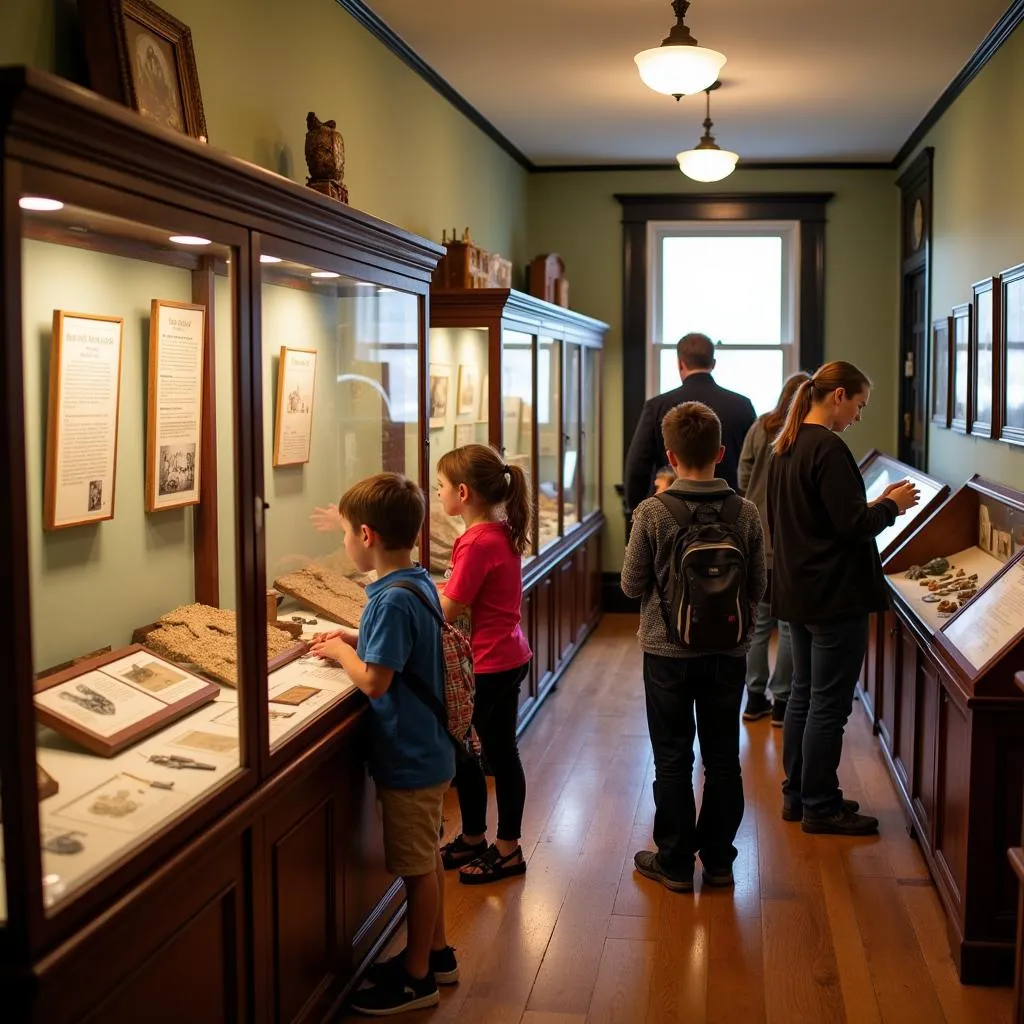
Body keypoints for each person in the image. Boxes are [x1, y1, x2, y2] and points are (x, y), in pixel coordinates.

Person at [309, 474, 457, 1015]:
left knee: (416, 869)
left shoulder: (389, 601)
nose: (345, 540)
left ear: (365, 535)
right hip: (429, 750)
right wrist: (354, 637)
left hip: (411, 758)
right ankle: (436, 953)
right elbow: (401, 648)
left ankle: (417, 980)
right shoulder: (414, 582)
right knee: (429, 858)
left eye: (347, 532)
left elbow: (375, 680)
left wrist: (342, 655)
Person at [768, 362, 920, 836]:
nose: (858, 416)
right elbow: (852, 526)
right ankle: (820, 804)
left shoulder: (786, 445)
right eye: (858, 405)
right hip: (835, 595)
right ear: (837, 397)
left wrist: (874, 507)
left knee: (802, 697)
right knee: (829, 705)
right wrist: (890, 506)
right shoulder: (828, 448)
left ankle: (798, 794)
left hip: (800, 590)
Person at [622, 402, 766, 892]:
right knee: (724, 757)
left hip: (666, 652)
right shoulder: (745, 512)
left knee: (672, 756)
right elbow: (760, 588)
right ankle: (721, 861)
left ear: (670, 455)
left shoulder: (652, 512)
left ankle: (676, 861)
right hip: (728, 652)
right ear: (722, 453)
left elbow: (630, 584)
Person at [434, 444, 533, 884]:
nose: (437, 495)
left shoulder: (475, 541)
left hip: (490, 663)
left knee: (482, 753)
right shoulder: (500, 530)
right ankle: (476, 837)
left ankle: (507, 848)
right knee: (479, 752)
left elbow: (450, 609)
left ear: (462, 492)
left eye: (440, 487)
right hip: (506, 654)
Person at [739, 372, 811, 726]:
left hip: (756, 537)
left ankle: (754, 698)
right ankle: (783, 701)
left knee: (756, 622)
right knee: (786, 626)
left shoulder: (761, 426)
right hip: (791, 544)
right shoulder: (806, 435)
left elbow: (742, 475)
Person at [624, 333, 756, 511]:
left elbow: (637, 467)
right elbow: (754, 466)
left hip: (672, 512)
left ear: (680, 363)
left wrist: (638, 511)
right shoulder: (742, 406)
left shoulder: (657, 406)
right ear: (713, 363)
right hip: (730, 512)